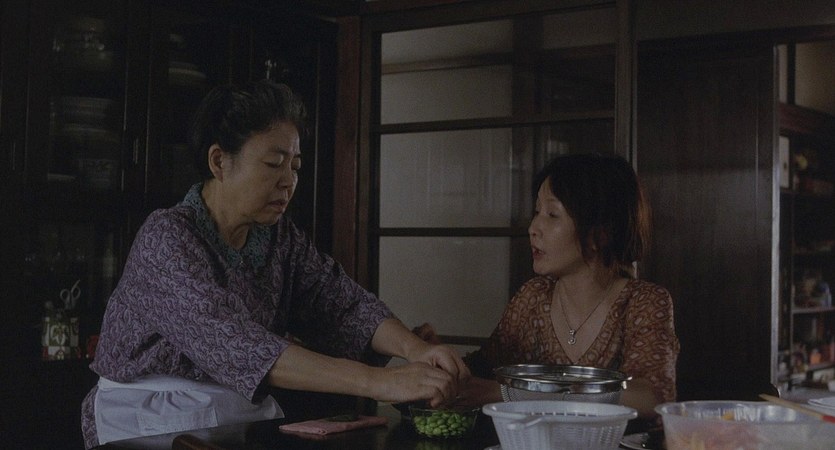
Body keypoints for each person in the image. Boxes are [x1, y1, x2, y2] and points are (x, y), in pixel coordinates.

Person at [80, 80, 469, 448]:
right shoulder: (166, 237)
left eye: (295, 166)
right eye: (273, 163)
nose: (288, 182)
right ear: (219, 161)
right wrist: (382, 382)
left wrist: (415, 349)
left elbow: (344, 306)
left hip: (228, 415)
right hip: (147, 422)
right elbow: (239, 346)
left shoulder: (279, 237)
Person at [450, 153, 679, 419]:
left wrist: (513, 396)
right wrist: (437, 359)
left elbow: (651, 398)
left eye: (552, 214)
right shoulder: (534, 296)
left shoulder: (643, 302)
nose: (533, 228)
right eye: (537, 212)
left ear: (599, 233)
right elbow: (483, 369)